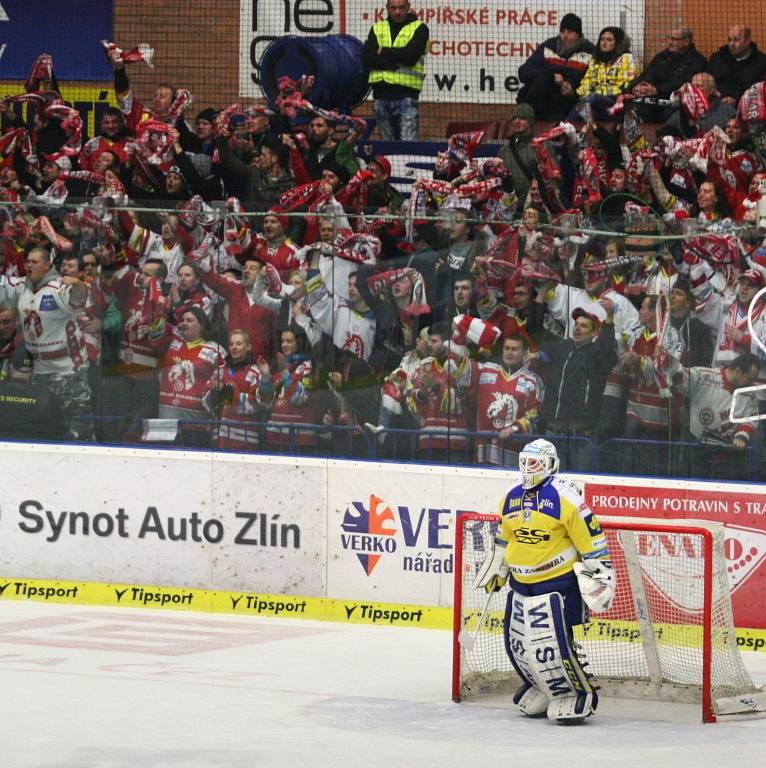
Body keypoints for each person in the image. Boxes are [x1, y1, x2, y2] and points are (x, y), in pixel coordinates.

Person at [474, 438, 614, 722]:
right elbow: (505, 537)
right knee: (520, 642)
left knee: (555, 641)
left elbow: (592, 539)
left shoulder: (567, 498)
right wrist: (498, 568)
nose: (529, 468)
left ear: (551, 464)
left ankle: (575, 693)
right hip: (520, 583)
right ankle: (540, 686)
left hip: (557, 583)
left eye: (535, 462)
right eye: (525, 462)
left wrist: (600, 573)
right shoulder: (509, 497)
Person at [362, 0, 430, 140]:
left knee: (407, 149)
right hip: (380, 98)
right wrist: (393, 64)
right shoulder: (377, 28)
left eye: (401, 8)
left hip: (406, 97)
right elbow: (367, 58)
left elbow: (409, 57)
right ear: (387, 8)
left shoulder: (420, 28)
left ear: (408, 8)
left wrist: (382, 51)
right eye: (393, 8)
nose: (397, 12)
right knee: (388, 152)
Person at [517, 13, 596, 122]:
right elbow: (523, 72)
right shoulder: (548, 46)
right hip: (541, 98)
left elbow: (593, 81)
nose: (565, 35)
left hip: (567, 102)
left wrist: (573, 90)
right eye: (563, 31)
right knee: (542, 79)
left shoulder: (590, 51)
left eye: (570, 32)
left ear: (578, 34)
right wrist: (551, 76)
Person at [629, 28, 707, 122]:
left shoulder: (698, 61)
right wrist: (640, 86)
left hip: (678, 103)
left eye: (673, 39)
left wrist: (658, 89)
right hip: (654, 98)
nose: (669, 42)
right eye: (668, 38)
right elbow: (648, 73)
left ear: (686, 41)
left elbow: (684, 82)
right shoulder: (662, 57)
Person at [707, 25, 766, 105]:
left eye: (736, 40)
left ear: (747, 41)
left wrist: (735, 100)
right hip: (719, 104)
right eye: (729, 40)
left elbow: (760, 90)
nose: (731, 44)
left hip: (749, 106)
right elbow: (709, 84)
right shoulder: (717, 59)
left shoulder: (761, 62)